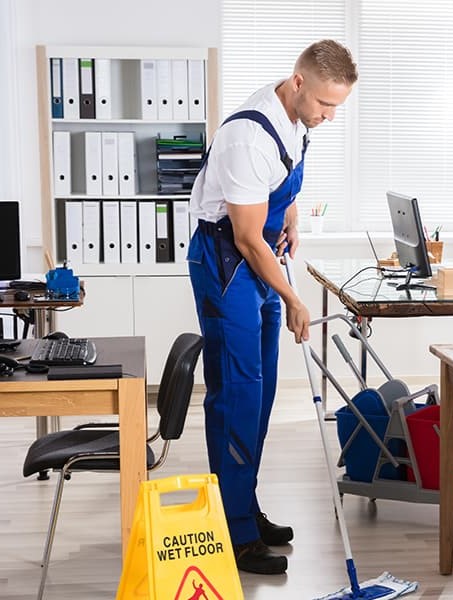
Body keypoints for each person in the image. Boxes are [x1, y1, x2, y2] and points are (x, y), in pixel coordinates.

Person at [187, 39, 358, 575]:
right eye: (326, 105)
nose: (329, 118)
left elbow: (277, 188)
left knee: (258, 396)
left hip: (260, 254)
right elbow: (243, 236)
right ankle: (233, 533)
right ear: (299, 81)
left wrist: (291, 217)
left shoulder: (297, 119)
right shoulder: (247, 137)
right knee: (236, 393)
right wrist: (293, 298)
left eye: (338, 108)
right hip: (229, 263)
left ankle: (243, 509)